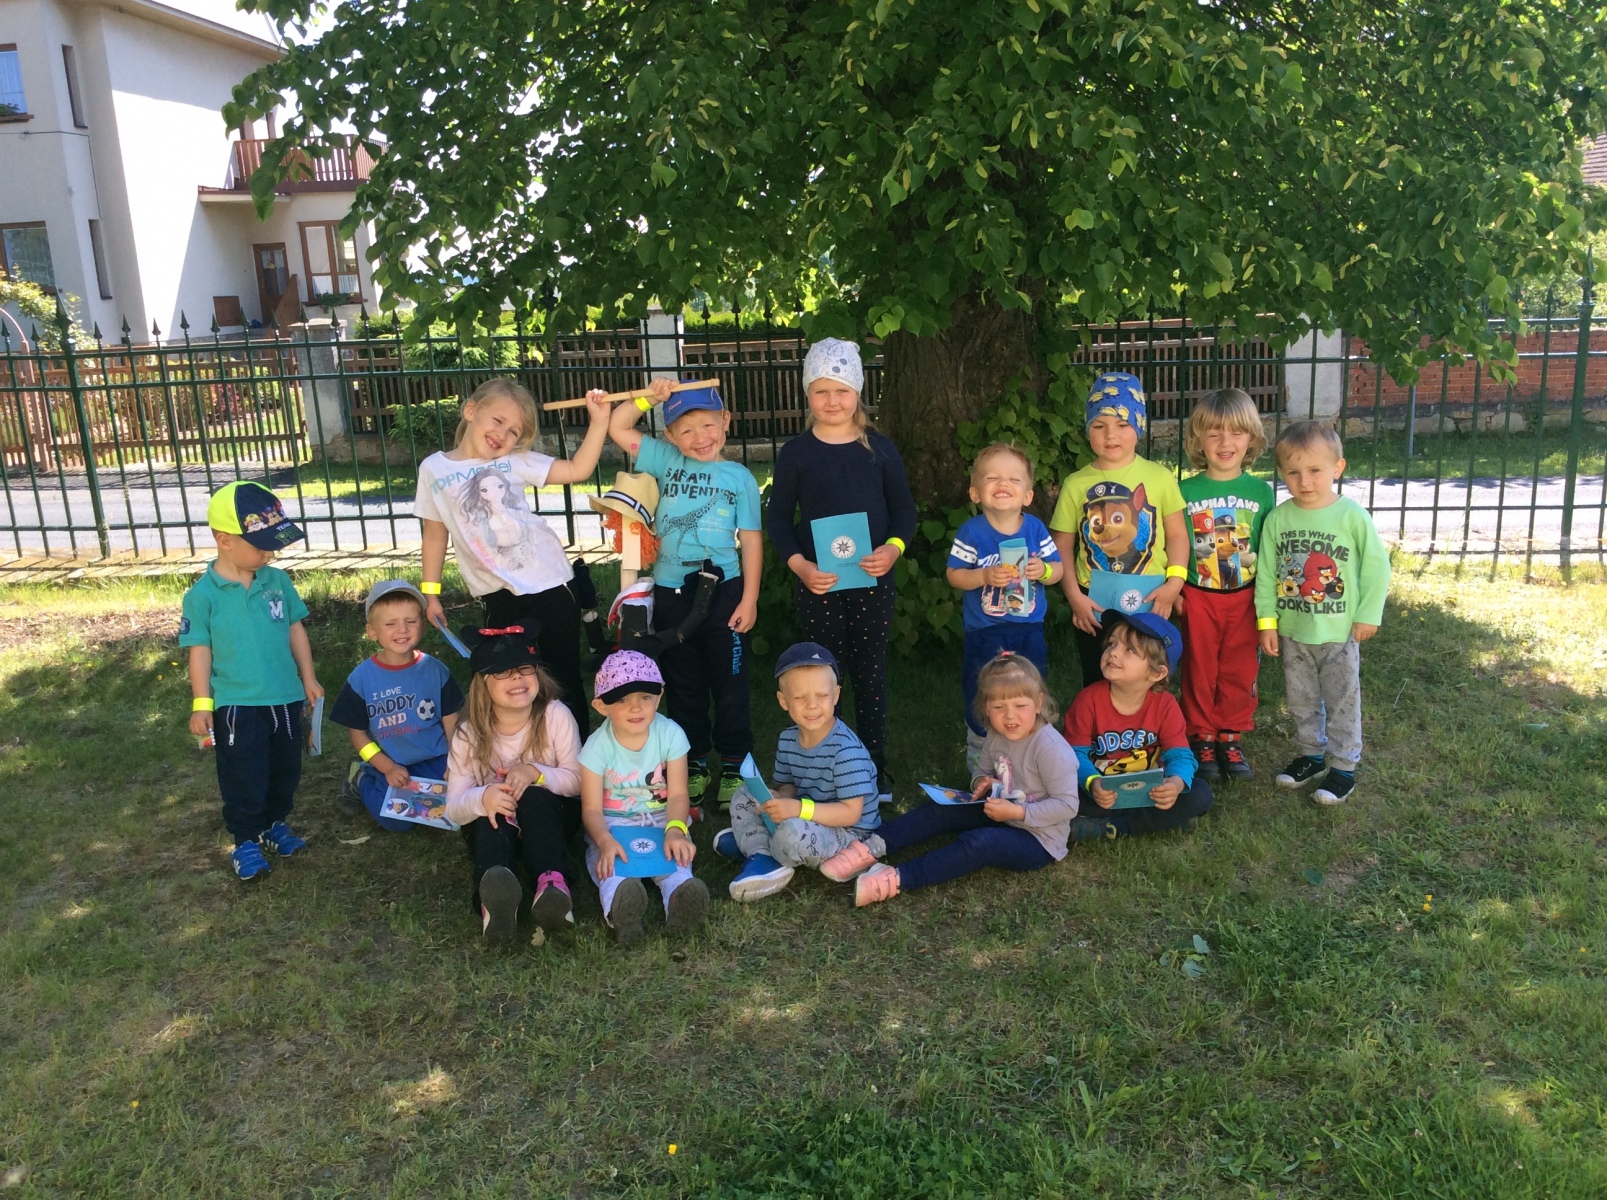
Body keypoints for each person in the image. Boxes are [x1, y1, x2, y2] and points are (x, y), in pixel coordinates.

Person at [414, 377, 613, 733]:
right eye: (498, 421)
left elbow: (577, 470)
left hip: (552, 585)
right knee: (506, 680)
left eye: (513, 431)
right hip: (497, 595)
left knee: (561, 679)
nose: (502, 435)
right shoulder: (434, 469)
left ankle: (573, 760)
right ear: (470, 410)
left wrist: (599, 421)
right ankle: (521, 754)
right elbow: (434, 532)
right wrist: (431, 593)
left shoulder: (514, 461)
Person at [765, 338, 917, 800]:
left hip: (872, 582)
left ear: (858, 392)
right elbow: (778, 519)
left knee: (870, 671)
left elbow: (904, 511)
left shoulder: (880, 449)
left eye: (842, 390)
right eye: (821, 391)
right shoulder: (797, 453)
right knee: (823, 677)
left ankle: (872, 768)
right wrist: (800, 566)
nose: (832, 401)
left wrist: (891, 550)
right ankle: (829, 768)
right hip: (819, 585)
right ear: (807, 395)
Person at [819, 655, 1080, 908]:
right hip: (1000, 810)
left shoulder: (1051, 748)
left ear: (1038, 702)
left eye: (1020, 706)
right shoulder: (996, 733)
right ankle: (869, 848)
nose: (1009, 716)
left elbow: (1067, 806)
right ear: (985, 709)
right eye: (999, 708)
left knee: (981, 843)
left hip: (1039, 839)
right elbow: (982, 770)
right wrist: (982, 781)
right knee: (939, 808)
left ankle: (898, 878)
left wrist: (1018, 812)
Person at [609, 377, 762, 807]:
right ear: (671, 436)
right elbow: (618, 427)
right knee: (682, 679)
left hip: (724, 589)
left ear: (726, 421)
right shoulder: (665, 459)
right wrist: (647, 397)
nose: (700, 437)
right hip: (672, 591)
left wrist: (749, 598)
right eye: (687, 430)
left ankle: (734, 763)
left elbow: (751, 539)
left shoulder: (740, 477)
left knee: (730, 680)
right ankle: (692, 761)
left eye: (709, 425)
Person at [180, 482, 323, 880]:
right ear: (224, 540)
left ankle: (275, 823)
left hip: (285, 698)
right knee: (244, 772)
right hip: (237, 706)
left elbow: (295, 629)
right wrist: (202, 703)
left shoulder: (277, 581)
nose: (270, 553)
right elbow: (200, 651)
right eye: (261, 546)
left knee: (285, 768)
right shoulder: (202, 596)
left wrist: (308, 678)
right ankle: (245, 839)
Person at [1254, 421, 1390, 805]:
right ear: (1281, 472)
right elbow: (1266, 573)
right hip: (1294, 629)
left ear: (1338, 467)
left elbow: (1377, 567)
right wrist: (1267, 622)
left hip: (1338, 630)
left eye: (1315, 470)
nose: (1305, 481)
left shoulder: (1350, 515)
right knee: (1300, 697)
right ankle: (1311, 756)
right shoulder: (1279, 519)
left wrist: (1368, 614)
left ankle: (1343, 767)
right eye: (1293, 472)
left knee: (1342, 698)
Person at [444, 625, 584, 945]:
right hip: (496, 826)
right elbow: (453, 807)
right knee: (491, 815)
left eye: (525, 668)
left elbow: (578, 782)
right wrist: (483, 797)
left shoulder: (555, 715)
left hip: (549, 821)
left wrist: (537, 773)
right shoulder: (468, 733)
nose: (517, 678)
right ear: (482, 683)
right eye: (503, 672)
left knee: (533, 797)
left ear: (538, 673)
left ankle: (553, 888)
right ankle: (495, 902)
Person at [1050, 372, 1188, 690]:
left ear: (1139, 427)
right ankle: (1097, 722)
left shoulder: (1160, 477)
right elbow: (1062, 546)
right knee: (1098, 677)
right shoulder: (1075, 484)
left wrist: (1174, 584)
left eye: (1122, 424)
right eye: (1099, 425)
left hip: (1152, 599)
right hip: (1093, 603)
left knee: (1147, 676)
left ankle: (1149, 722)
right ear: (1087, 430)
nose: (1110, 435)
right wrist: (1074, 597)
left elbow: (1178, 536)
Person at [716, 642, 881, 902]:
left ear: (836, 695)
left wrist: (797, 808)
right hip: (807, 814)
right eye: (801, 698)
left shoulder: (846, 750)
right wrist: (778, 797)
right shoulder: (787, 739)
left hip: (849, 835)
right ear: (783, 700)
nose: (812, 706)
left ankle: (761, 852)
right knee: (744, 793)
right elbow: (788, 785)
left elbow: (851, 813)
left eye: (822, 696)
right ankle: (761, 850)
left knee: (791, 833)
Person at [579, 650, 710, 944]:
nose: (635, 707)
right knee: (612, 869)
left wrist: (676, 829)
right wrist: (604, 841)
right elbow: (591, 810)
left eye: (645, 697)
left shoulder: (671, 734)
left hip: (662, 817)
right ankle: (623, 912)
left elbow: (678, 793)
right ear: (601, 706)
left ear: (659, 697)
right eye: (622, 699)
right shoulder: (596, 747)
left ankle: (680, 900)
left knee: (675, 860)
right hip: (613, 823)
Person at [1177, 389, 1274, 781]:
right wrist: (1177, 589)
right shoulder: (1184, 492)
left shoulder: (1262, 492)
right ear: (1198, 439)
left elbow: (1269, 550)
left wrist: (1267, 603)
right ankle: (1201, 735)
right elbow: (1174, 545)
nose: (1225, 442)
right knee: (1199, 667)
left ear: (1251, 438)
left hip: (1244, 596)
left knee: (1239, 667)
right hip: (1199, 594)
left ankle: (1230, 736)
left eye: (1236, 432)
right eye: (1214, 433)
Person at [946, 443, 1062, 771]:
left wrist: (1044, 571)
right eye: (992, 478)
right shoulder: (972, 532)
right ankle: (981, 755)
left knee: (1030, 686)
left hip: (1028, 629)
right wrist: (983, 575)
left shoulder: (1034, 529)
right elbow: (954, 575)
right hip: (985, 630)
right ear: (975, 493)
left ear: (1028, 495)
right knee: (982, 689)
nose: (1003, 484)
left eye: (1013, 479)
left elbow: (1058, 570)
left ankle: (1033, 752)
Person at [1062, 610, 1213, 840]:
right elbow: (1074, 755)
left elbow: (1180, 755)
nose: (1113, 652)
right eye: (1112, 643)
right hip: (1102, 792)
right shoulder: (1087, 700)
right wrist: (1093, 783)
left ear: (1156, 672)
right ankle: (1160, 821)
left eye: (1129, 650)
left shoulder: (1165, 705)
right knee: (1060, 791)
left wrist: (1174, 784)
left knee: (1200, 793)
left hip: (1148, 792)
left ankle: (1113, 827)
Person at [330, 580, 464, 830]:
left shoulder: (436, 671)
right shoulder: (361, 679)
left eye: (410, 621)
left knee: (459, 806)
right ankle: (361, 778)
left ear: (422, 625)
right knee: (398, 823)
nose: (402, 629)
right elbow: (357, 734)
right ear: (372, 631)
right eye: (390, 624)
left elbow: (451, 722)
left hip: (437, 759)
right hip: (392, 762)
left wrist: (457, 762)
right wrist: (386, 766)